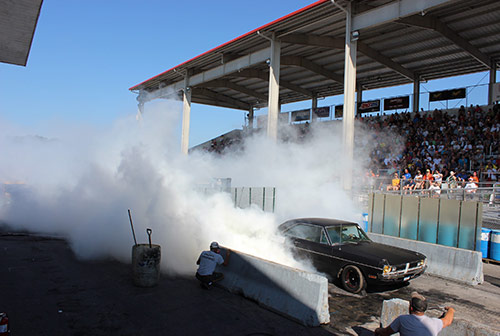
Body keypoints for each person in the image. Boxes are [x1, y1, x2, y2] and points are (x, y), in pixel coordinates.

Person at [375, 292, 455, 336]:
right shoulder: (434, 323)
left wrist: (378, 330)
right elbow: (448, 321)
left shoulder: (403, 320)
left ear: (411, 308)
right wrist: (451, 310)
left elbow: (386, 332)